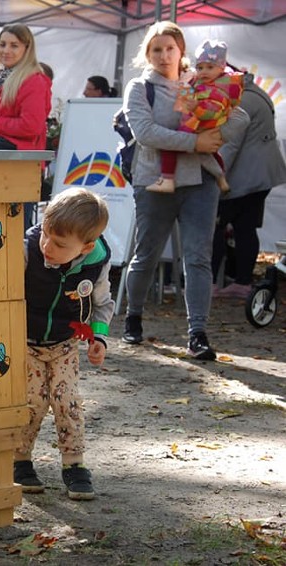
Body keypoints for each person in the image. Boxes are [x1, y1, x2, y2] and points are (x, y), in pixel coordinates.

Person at [120, 21, 248, 360]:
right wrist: (196, 141)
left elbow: (240, 117)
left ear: (181, 51)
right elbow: (146, 133)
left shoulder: (201, 81)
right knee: (146, 254)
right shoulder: (138, 87)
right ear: (147, 53)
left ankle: (198, 333)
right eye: (156, 49)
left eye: (170, 48)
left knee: (198, 258)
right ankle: (133, 318)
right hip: (153, 181)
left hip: (200, 181)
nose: (164, 55)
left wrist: (216, 139)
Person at [15, 188, 113, 501]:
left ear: (86, 246)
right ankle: (19, 460)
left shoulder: (97, 263)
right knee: (32, 400)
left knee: (66, 398)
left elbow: (102, 303)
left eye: (59, 244)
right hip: (24, 340)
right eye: (45, 234)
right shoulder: (28, 249)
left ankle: (73, 464)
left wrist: (98, 337)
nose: (47, 245)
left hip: (65, 342)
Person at [211, 65, 286, 299]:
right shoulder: (257, 92)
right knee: (246, 227)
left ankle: (210, 282)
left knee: (215, 226)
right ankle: (242, 282)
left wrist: (216, 174)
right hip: (262, 175)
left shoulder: (241, 100)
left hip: (245, 177)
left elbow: (230, 145)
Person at [0, 24, 51, 230]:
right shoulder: (1, 80)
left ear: (27, 48)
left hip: (18, 167)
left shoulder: (34, 81)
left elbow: (31, 125)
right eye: (2, 44)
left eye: (14, 45)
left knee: (13, 232)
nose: (6, 50)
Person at [146, 40, 242, 194]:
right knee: (211, 153)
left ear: (222, 67)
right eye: (200, 67)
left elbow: (214, 110)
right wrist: (185, 91)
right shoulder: (208, 83)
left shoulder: (218, 89)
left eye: (210, 67)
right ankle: (221, 178)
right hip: (205, 126)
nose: (203, 72)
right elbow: (189, 96)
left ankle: (167, 179)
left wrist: (197, 108)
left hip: (198, 125)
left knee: (169, 147)